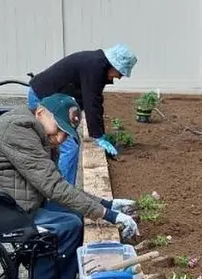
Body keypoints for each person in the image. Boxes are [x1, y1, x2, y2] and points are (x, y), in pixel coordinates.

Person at [0, 93, 139, 279]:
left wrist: (108, 204)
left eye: (65, 134)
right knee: (67, 226)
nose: (60, 138)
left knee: (74, 215)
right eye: (57, 128)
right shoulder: (21, 131)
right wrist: (110, 215)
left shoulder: (36, 131)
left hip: (1, 193)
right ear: (40, 113)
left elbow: (57, 185)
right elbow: (53, 187)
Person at [27, 44, 138, 183]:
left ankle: (56, 189)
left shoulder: (97, 64)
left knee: (53, 147)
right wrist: (98, 135)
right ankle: (64, 194)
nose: (119, 77)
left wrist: (99, 133)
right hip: (42, 99)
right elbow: (91, 102)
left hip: (49, 99)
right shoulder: (94, 67)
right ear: (114, 65)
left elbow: (95, 99)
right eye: (121, 73)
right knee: (69, 147)